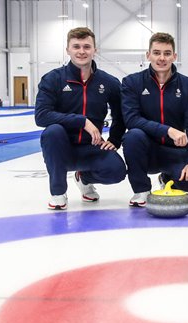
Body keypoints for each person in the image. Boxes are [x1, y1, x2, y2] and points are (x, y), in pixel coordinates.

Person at [35, 27, 126, 210]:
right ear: (68, 50)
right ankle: (58, 192)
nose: (82, 51)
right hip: (61, 148)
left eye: (87, 46)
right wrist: (81, 120)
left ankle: (83, 178)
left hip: (91, 147)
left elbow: (121, 115)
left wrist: (114, 140)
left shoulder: (108, 82)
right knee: (53, 131)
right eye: (76, 46)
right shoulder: (53, 79)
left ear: (95, 50)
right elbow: (41, 116)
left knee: (117, 171)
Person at [121, 32, 188, 207]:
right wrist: (168, 130)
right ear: (148, 55)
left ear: (174, 56)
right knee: (132, 136)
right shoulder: (132, 82)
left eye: (167, 53)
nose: (161, 58)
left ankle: (167, 178)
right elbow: (132, 119)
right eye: (157, 52)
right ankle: (141, 190)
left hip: (175, 151)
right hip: (146, 150)